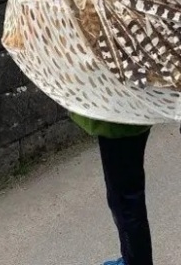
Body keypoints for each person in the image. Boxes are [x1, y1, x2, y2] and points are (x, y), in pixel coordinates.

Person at [69, 111, 154, 265]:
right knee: (127, 198)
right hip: (137, 114)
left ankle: (135, 261)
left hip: (118, 121)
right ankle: (130, 258)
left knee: (125, 203)